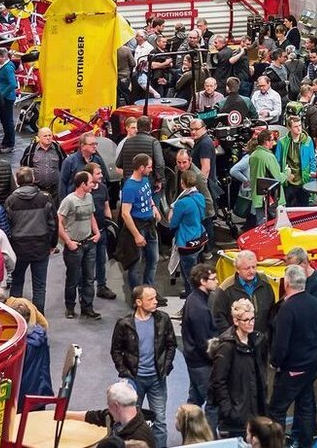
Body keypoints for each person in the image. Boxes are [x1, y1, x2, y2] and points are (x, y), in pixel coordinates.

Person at [268, 264, 317, 448]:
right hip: (311, 365)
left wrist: (275, 362)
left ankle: (276, 444)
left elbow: (281, 344)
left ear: (286, 283)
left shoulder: (287, 309)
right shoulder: (315, 303)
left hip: (292, 368)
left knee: (277, 410)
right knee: (305, 406)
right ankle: (306, 443)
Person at [112, 284, 177, 446]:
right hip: (134, 381)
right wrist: (125, 372)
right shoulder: (124, 324)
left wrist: (166, 366)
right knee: (130, 422)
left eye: (156, 298)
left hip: (157, 379)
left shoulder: (163, 319)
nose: (156, 301)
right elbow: (116, 351)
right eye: (151, 299)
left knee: (160, 421)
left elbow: (171, 345)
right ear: (139, 302)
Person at [209, 297, 269, 438]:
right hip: (236, 418)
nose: (251, 323)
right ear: (236, 321)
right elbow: (218, 382)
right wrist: (229, 411)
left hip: (255, 411)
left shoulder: (256, 341)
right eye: (246, 320)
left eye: (252, 319)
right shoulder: (227, 347)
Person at [6, 165, 55, 313]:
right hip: (41, 247)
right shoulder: (45, 198)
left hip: (18, 248)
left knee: (16, 283)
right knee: (39, 286)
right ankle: (38, 318)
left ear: (17, 180)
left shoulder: (11, 200)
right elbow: (53, 223)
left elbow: (7, 225)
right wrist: (52, 244)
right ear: (33, 179)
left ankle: (15, 317)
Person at [59, 169, 102, 320]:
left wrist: (97, 233)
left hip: (89, 243)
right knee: (73, 278)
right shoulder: (69, 201)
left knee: (89, 278)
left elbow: (91, 216)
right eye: (90, 182)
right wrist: (68, 241)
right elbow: (59, 222)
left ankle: (87, 307)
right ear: (83, 184)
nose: (93, 184)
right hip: (74, 246)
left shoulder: (89, 197)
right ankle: (70, 307)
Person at [182, 264, 221, 431]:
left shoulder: (193, 299)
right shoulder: (200, 308)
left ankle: (189, 433)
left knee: (195, 399)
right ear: (203, 281)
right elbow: (204, 342)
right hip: (202, 363)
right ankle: (210, 439)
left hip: (193, 360)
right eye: (213, 279)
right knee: (213, 402)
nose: (217, 282)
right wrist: (216, 360)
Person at [66, 381, 157, 448]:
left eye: (109, 406)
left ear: (116, 406)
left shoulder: (139, 438)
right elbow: (95, 416)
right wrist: (65, 414)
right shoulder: (117, 417)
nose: (108, 409)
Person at [122, 153, 160, 300]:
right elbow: (125, 213)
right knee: (135, 264)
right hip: (138, 226)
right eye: (149, 167)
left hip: (150, 224)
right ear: (141, 168)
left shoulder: (145, 179)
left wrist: (154, 207)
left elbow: (148, 197)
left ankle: (149, 292)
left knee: (153, 259)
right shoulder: (130, 187)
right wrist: (136, 235)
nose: (151, 169)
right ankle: (137, 297)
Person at [211, 249, 277, 333]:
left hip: (263, 338)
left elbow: (272, 312)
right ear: (237, 269)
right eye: (247, 268)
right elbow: (218, 318)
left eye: (253, 267)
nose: (251, 271)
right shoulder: (226, 289)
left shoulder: (265, 284)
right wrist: (233, 337)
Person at [171, 169, 208, 298]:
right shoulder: (200, 197)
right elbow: (203, 216)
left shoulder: (181, 203)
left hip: (186, 242)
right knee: (197, 271)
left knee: (188, 274)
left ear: (182, 183)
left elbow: (173, 223)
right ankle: (193, 293)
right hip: (199, 238)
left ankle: (193, 297)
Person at [245, 129, 284, 227]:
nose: (274, 143)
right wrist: (287, 173)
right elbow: (278, 178)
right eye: (272, 140)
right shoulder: (269, 157)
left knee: (261, 224)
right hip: (272, 197)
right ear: (266, 142)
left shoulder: (253, 155)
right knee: (278, 224)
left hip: (258, 196)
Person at [276, 115, 316, 207]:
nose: (299, 128)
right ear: (289, 128)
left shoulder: (308, 141)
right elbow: (277, 160)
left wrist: (312, 173)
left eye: (300, 125)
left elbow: (312, 159)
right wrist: (280, 176)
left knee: (304, 207)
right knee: (288, 207)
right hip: (288, 180)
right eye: (295, 126)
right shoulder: (282, 142)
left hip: (304, 179)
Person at [23, 127, 66, 200]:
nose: (48, 138)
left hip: (55, 190)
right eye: (45, 136)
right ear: (39, 137)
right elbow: (24, 166)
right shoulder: (31, 150)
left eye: (50, 135)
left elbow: (64, 164)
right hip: (36, 190)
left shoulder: (58, 149)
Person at [0, 47, 18, 150]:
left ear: (6, 57)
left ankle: (10, 144)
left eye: (1, 57)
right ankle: (6, 141)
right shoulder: (2, 67)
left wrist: (2, 95)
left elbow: (13, 84)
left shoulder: (7, 68)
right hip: (5, 97)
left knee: (7, 121)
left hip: (7, 98)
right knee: (4, 120)